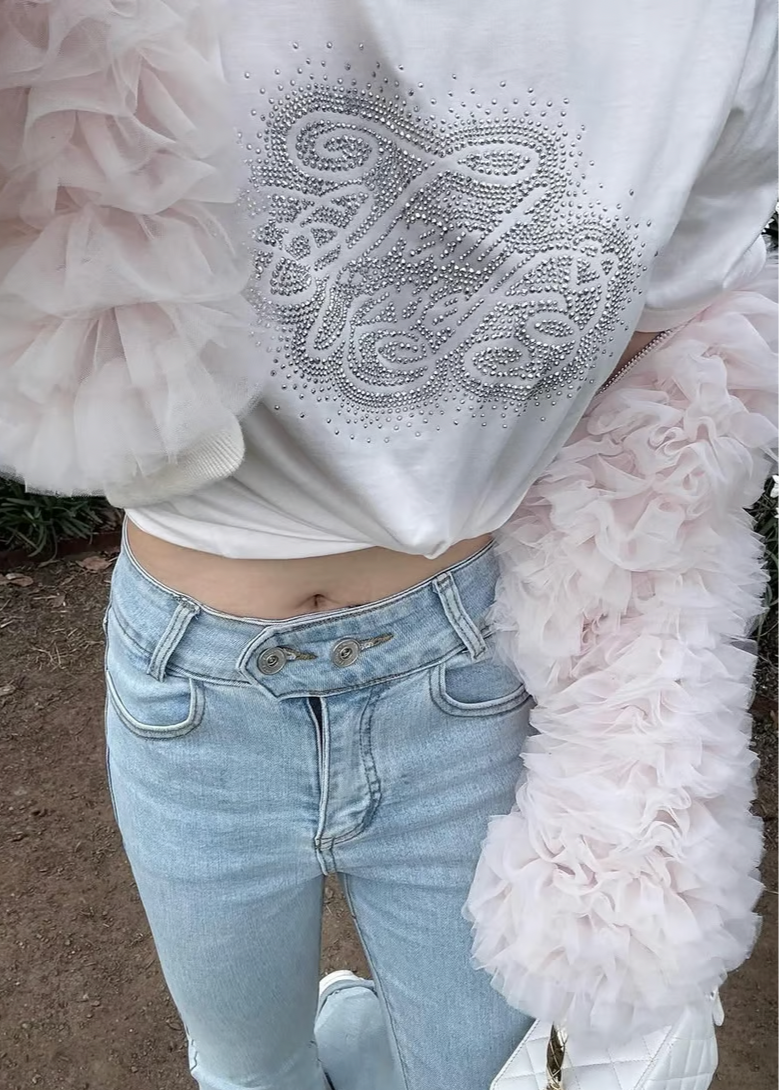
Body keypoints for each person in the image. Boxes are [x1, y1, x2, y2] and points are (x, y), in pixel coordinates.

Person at [2, 1, 779, 1088]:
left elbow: (670, 341)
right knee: (246, 1066)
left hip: (463, 668)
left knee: (474, 1070)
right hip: (192, 694)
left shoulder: (719, 27)